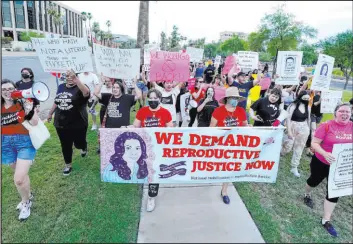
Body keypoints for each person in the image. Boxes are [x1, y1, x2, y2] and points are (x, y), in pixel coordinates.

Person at [303, 103, 352, 237]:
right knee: (313, 181)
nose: (345, 114)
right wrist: (325, 154)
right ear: (335, 113)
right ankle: (307, 194)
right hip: (321, 161)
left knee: (334, 192)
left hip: (340, 166)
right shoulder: (326, 125)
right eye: (341, 111)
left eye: (348, 111)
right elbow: (314, 143)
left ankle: (326, 220)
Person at [130, 88, 174, 212]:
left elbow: (170, 128)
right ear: (148, 98)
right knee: (145, 170)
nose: (153, 100)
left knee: (154, 172)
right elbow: (135, 126)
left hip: (158, 148)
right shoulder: (143, 111)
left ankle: (151, 197)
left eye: (156, 98)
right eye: (151, 98)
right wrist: (127, 127)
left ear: (160, 99)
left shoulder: (165, 112)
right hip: (144, 147)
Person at [2, 79, 39, 220]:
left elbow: (34, 122)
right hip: (5, 144)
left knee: (18, 179)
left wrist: (30, 108)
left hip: (23, 143)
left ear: (15, 89)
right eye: (4, 89)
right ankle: (28, 195)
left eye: (10, 89)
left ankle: (25, 202)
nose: (7, 92)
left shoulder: (23, 102)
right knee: (22, 176)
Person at [47, 70, 90, 176]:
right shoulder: (61, 86)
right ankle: (68, 165)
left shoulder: (81, 87)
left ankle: (83, 146)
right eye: (67, 76)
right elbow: (57, 101)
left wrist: (77, 81)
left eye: (72, 76)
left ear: (76, 76)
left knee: (79, 143)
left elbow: (86, 93)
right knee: (65, 145)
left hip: (78, 123)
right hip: (61, 122)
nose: (70, 78)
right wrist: (50, 113)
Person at [210, 87, 248, 204]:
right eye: (233, 98)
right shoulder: (218, 111)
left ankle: (224, 191)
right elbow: (211, 128)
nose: (235, 100)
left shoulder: (241, 111)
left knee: (229, 167)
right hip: (221, 144)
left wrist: (249, 127)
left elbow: (245, 125)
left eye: (237, 98)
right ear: (227, 99)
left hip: (236, 144)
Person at [281, 91, 311, 177]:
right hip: (292, 126)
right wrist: (289, 131)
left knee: (299, 148)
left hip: (303, 128)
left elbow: (308, 119)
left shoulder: (308, 107)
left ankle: (294, 167)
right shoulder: (293, 105)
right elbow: (288, 118)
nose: (306, 99)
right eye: (305, 97)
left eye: (308, 98)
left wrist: (308, 130)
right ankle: (280, 153)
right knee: (287, 146)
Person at [306, 91, 323, 156]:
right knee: (313, 131)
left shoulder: (326, 98)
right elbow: (313, 104)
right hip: (313, 115)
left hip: (319, 116)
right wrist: (319, 101)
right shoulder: (315, 97)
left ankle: (311, 148)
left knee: (315, 132)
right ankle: (309, 148)